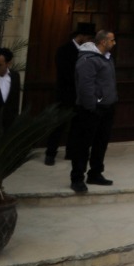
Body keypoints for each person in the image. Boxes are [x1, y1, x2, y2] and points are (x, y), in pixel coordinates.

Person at [68, 29, 117, 193]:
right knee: (83, 145)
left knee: (101, 143)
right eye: (112, 40)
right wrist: (92, 106)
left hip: (107, 108)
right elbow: (85, 86)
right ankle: (77, 178)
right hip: (90, 110)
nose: (114, 43)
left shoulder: (107, 58)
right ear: (103, 42)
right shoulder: (88, 59)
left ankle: (95, 173)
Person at [45, 23, 95, 165]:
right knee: (59, 124)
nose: (90, 41)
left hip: (81, 96)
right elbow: (65, 73)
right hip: (65, 94)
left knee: (77, 125)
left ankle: (71, 152)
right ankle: (50, 153)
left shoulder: (88, 52)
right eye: (89, 38)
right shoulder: (64, 50)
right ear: (81, 37)